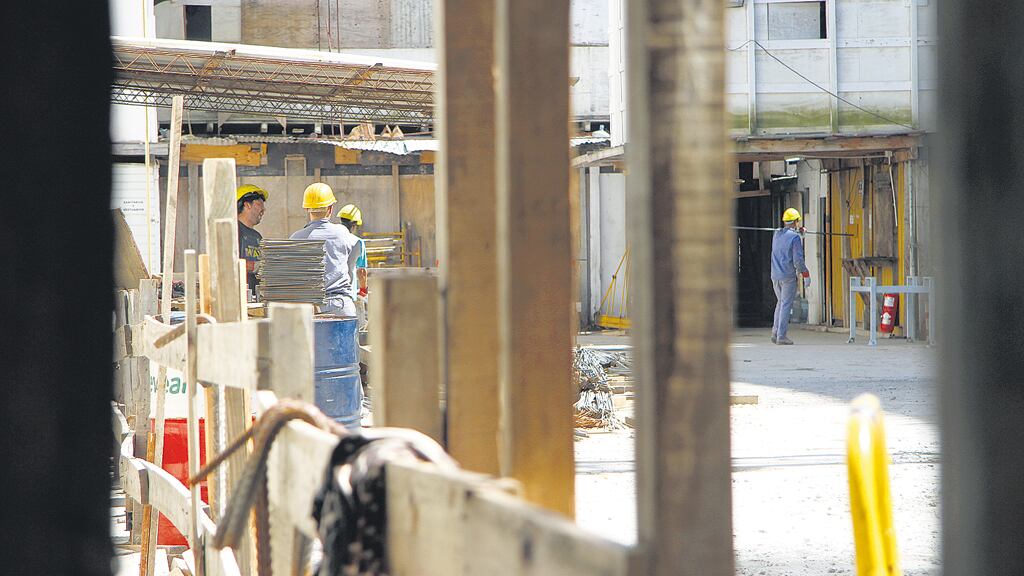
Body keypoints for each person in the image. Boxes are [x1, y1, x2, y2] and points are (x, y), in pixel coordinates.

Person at [290, 183, 361, 317]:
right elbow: (357, 250)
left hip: (309, 310)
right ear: (330, 208)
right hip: (341, 307)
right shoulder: (342, 233)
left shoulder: (296, 238)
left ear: (307, 209)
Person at [770, 208, 810, 345]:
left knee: (780, 303)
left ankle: (775, 332)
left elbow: (785, 236)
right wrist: (805, 274)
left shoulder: (776, 234)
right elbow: (798, 260)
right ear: (796, 222)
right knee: (786, 304)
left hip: (775, 275)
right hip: (787, 276)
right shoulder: (794, 238)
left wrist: (798, 233)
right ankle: (782, 336)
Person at [236, 184, 268, 295]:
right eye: (259, 204)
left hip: (253, 297)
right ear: (247, 204)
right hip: (236, 296)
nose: (263, 210)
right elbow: (229, 264)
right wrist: (256, 266)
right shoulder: (233, 231)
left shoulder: (257, 237)